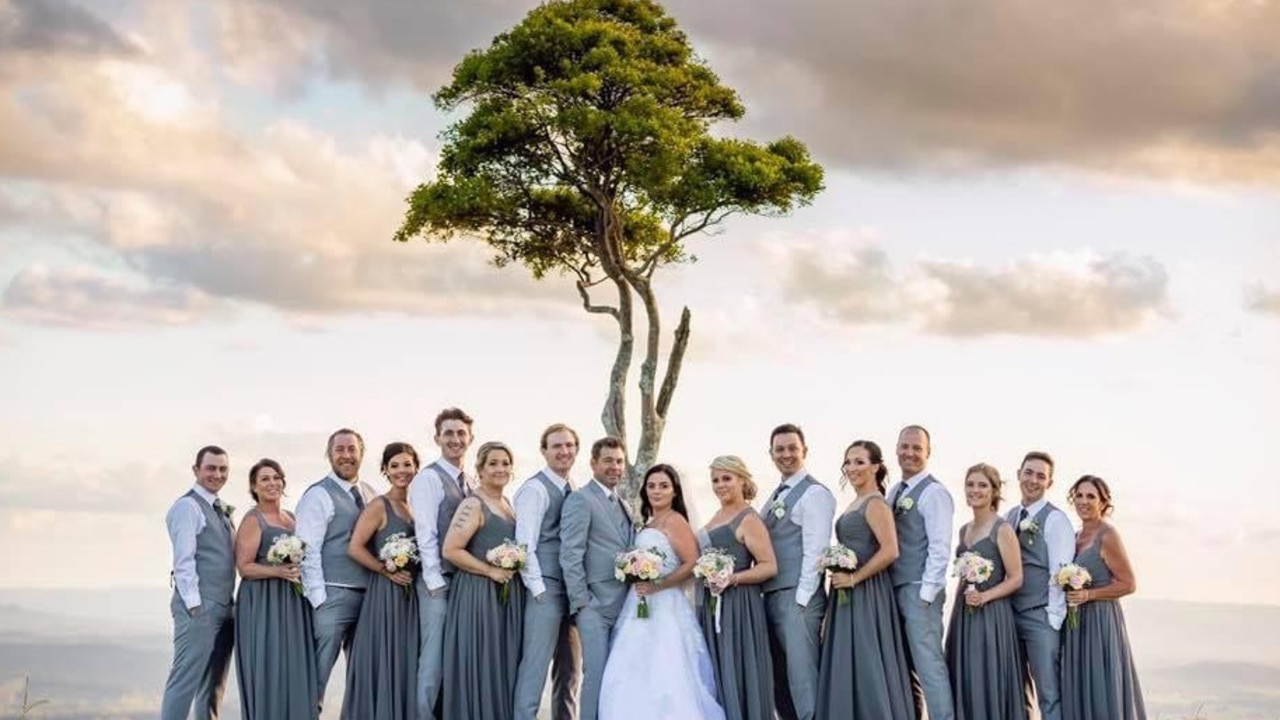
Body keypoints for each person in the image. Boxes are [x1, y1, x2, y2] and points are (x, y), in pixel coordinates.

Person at [598, 464, 726, 720]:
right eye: (651, 486)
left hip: (665, 605)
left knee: (664, 669)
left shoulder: (675, 521)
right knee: (631, 669)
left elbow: (692, 563)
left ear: (675, 492)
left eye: (664, 486)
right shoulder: (649, 523)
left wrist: (660, 585)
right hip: (638, 603)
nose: (656, 491)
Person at [815, 441, 913, 720]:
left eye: (859, 462)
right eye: (848, 462)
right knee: (848, 660)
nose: (852, 468)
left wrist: (855, 578)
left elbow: (890, 550)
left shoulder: (876, 503)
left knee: (867, 660)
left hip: (867, 592)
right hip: (845, 592)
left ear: (876, 467)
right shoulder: (854, 502)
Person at [440, 441, 526, 720]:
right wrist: (490, 571)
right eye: (493, 463)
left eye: (505, 463)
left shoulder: (507, 503)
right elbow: (451, 550)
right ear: (480, 469)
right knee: (481, 663)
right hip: (478, 596)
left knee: (502, 664)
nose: (500, 469)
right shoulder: (473, 504)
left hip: (506, 596)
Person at [295, 428, 377, 710]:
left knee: (363, 675)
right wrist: (319, 600)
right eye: (339, 450)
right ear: (329, 455)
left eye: (352, 449)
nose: (346, 455)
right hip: (333, 596)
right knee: (317, 677)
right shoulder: (318, 495)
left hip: (368, 597)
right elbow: (308, 550)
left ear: (361, 454)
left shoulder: (369, 493)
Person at [760, 423, 836, 720]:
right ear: (771, 454)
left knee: (804, 680)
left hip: (797, 598)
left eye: (792, 448)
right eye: (780, 449)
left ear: (805, 450)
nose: (786, 454)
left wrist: (802, 600)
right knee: (781, 681)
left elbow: (815, 550)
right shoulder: (776, 494)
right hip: (772, 594)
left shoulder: (814, 493)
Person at [342, 442, 422, 720]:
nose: (402, 471)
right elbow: (354, 547)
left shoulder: (415, 506)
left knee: (407, 661)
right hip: (385, 596)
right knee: (387, 659)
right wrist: (384, 570)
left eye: (407, 464)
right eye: (395, 466)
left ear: (416, 467)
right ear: (385, 470)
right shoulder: (379, 505)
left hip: (412, 597)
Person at [233, 458, 318, 720]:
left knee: (294, 666)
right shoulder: (253, 520)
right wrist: (277, 571)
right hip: (262, 604)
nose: (272, 483)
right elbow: (244, 567)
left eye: (276, 477)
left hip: (293, 604)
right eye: (264, 479)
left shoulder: (292, 518)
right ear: (254, 487)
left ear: (283, 482)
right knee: (269, 665)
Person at [558, 437, 634, 720]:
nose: (615, 467)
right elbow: (570, 553)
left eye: (619, 461)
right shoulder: (580, 499)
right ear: (593, 463)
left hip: (624, 606)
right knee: (597, 677)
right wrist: (582, 603)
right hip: (594, 606)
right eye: (608, 460)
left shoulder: (624, 504)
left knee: (618, 679)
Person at [696, 455, 777, 720]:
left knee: (738, 666)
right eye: (715, 480)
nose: (720, 485)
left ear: (742, 479)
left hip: (739, 607)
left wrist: (731, 579)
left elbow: (768, 566)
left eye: (726, 478)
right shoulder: (717, 514)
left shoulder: (749, 519)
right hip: (712, 604)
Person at [944, 463, 1026, 720]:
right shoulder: (964, 529)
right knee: (965, 674)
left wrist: (986, 597)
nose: (975, 490)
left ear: (994, 491)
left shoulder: (1002, 529)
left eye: (982, 485)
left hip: (992, 616)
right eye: (970, 484)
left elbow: (1016, 578)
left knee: (988, 674)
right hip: (964, 613)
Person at [408, 407, 475, 720]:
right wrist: (434, 581)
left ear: (470, 437)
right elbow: (426, 532)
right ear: (437, 438)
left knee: (455, 658)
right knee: (432, 660)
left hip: (466, 585)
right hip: (438, 583)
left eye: (461, 433)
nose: (455, 439)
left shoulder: (472, 481)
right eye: (448, 433)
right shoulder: (428, 479)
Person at [513, 424, 583, 720]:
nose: (564, 451)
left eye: (569, 445)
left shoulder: (574, 488)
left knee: (570, 673)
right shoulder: (535, 489)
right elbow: (524, 545)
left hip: (572, 592)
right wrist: (539, 590)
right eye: (556, 446)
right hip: (545, 590)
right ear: (544, 451)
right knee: (535, 670)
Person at [1061, 476, 1146, 720]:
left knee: (1101, 684)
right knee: (1080, 684)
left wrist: (1090, 594)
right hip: (1077, 623)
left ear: (1103, 502)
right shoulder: (1075, 536)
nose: (1084, 501)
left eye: (1091, 496)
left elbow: (1129, 584)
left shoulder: (1107, 535)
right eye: (1079, 495)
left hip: (1100, 623)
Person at [161, 445, 236, 720]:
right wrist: (195, 606)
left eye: (223, 469)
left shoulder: (221, 509)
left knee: (212, 687)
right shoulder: (187, 506)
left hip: (225, 608)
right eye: (211, 468)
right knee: (184, 681)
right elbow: (184, 560)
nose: (217, 474)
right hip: (200, 608)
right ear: (196, 470)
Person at [887, 424, 955, 720]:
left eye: (917, 448)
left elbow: (941, 547)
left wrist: (926, 595)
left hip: (919, 590)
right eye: (905, 446)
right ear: (897, 449)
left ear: (928, 452)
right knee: (905, 669)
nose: (910, 453)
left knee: (929, 666)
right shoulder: (893, 491)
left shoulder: (935, 492)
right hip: (894, 588)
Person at [1005, 451, 1073, 720]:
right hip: (1010, 614)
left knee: (1049, 693)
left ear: (1050, 483)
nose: (1033, 480)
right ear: (1018, 474)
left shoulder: (1056, 520)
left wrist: (1053, 619)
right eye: (1028, 473)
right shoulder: (1010, 516)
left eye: (1041, 476)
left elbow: (1060, 572)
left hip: (1040, 616)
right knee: (1018, 691)